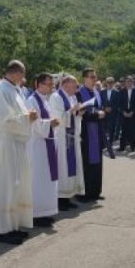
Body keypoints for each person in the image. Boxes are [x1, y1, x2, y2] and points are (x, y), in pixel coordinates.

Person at [0, 60, 38, 245]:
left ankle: (14, 225)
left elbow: (19, 115)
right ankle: (3, 230)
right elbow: (5, 121)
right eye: (23, 75)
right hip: (7, 144)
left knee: (16, 187)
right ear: (17, 73)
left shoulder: (14, 90)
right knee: (6, 186)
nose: (23, 78)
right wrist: (28, 117)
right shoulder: (1, 91)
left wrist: (28, 116)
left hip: (17, 144)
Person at [26, 73, 60, 228]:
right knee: (38, 179)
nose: (52, 87)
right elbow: (34, 124)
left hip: (47, 143)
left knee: (47, 179)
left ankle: (45, 211)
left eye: (52, 85)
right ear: (39, 85)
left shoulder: (45, 101)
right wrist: (50, 123)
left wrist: (52, 122)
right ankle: (35, 214)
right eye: (49, 84)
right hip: (37, 145)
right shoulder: (32, 100)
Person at [49, 74, 85, 211]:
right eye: (74, 86)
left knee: (71, 169)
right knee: (62, 168)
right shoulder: (56, 97)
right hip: (62, 137)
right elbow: (58, 118)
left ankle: (68, 196)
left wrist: (78, 113)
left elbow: (73, 115)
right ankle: (60, 198)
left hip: (71, 137)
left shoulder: (73, 96)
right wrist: (73, 110)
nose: (76, 89)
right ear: (65, 85)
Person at [75, 68, 106, 202]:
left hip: (96, 130)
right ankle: (85, 192)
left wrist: (102, 112)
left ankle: (95, 191)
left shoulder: (96, 92)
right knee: (86, 162)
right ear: (84, 78)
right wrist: (96, 114)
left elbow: (101, 107)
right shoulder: (79, 94)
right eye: (91, 77)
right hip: (85, 132)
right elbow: (81, 112)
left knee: (97, 161)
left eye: (95, 76)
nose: (94, 79)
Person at [118, 76, 135, 152]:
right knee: (123, 131)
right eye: (127, 82)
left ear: (132, 82)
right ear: (125, 83)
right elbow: (120, 103)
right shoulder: (121, 91)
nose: (128, 83)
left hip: (133, 114)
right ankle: (122, 147)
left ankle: (133, 147)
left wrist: (132, 112)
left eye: (130, 81)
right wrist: (123, 112)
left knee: (133, 131)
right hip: (124, 113)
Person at [101, 77, 120, 144]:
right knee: (104, 128)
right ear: (106, 83)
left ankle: (110, 142)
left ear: (113, 83)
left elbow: (118, 104)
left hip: (113, 113)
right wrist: (104, 108)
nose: (109, 84)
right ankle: (104, 142)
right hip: (104, 113)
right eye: (108, 82)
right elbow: (101, 103)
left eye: (111, 82)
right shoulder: (102, 92)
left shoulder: (117, 92)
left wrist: (112, 108)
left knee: (112, 128)